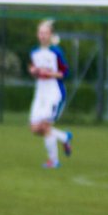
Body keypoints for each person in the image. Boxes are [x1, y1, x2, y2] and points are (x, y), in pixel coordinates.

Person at [27, 19, 73, 168]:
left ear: (50, 35)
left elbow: (65, 72)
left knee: (45, 127)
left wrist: (51, 74)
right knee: (35, 128)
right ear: (37, 35)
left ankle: (53, 161)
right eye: (40, 33)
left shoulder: (56, 52)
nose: (43, 35)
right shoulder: (34, 51)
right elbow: (34, 69)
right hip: (40, 93)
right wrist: (33, 71)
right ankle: (64, 137)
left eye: (45, 33)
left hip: (54, 93)